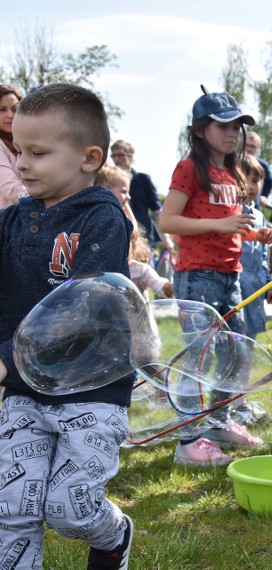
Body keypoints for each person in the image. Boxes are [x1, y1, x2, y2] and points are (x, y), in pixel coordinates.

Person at [0, 83, 135, 570]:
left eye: (38, 152)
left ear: (88, 157)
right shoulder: (12, 221)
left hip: (92, 391)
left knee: (68, 510)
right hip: (22, 391)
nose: (21, 164)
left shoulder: (103, 219)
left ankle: (113, 535)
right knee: (12, 507)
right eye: (17, 150)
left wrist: (4, 356)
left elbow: (83, 309)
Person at [159, 87, 270, 467]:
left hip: (230, 275)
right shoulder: (189, 168)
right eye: (223, 125)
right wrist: (223, 223)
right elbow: (168, 220)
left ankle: (219, 424)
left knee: (232, 354)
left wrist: (254, 234)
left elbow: (229, 226)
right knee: (198, 359)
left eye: (237, 126)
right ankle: (189, 441)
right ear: (200, 129)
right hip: (198, 276)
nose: (232, 133)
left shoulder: (233, 170)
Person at [238, 154, 272, 340]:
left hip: (255, 287)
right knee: (233, 339)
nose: (252, 186)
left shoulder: (259, 216)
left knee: (249, 341)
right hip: (238, 287)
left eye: (256, 181)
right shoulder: (231, 214)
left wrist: (269, 285)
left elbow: (263, 256)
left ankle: (245, 370)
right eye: (245, 180)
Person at [111, 139, 173, 256]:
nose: (116, 159)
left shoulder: (143, 179)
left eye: (120, 155)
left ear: (131, 156)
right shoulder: (109, 182)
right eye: (113, 156)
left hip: (144, 236)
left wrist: (166, 238)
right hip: (119, 236)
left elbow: (157, 210)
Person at [129, 225, 174, 299]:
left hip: (138, 310)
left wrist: (166, 287)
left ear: (134, 246)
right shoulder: (106, 268)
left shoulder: (141, 269)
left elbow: (156, 282)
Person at [0, 85, 25, 208]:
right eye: (2, 109)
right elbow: (10, 188)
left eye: (15, 109)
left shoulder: (25, 140)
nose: (10, 115)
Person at [244, 131, 272, 206]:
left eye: (252, 146)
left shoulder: (262, 165)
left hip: (254, 206)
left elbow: (269, 181)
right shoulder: (234, 162)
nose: (249, 149)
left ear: (258, 148)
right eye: (247, 145)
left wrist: (264, 196)